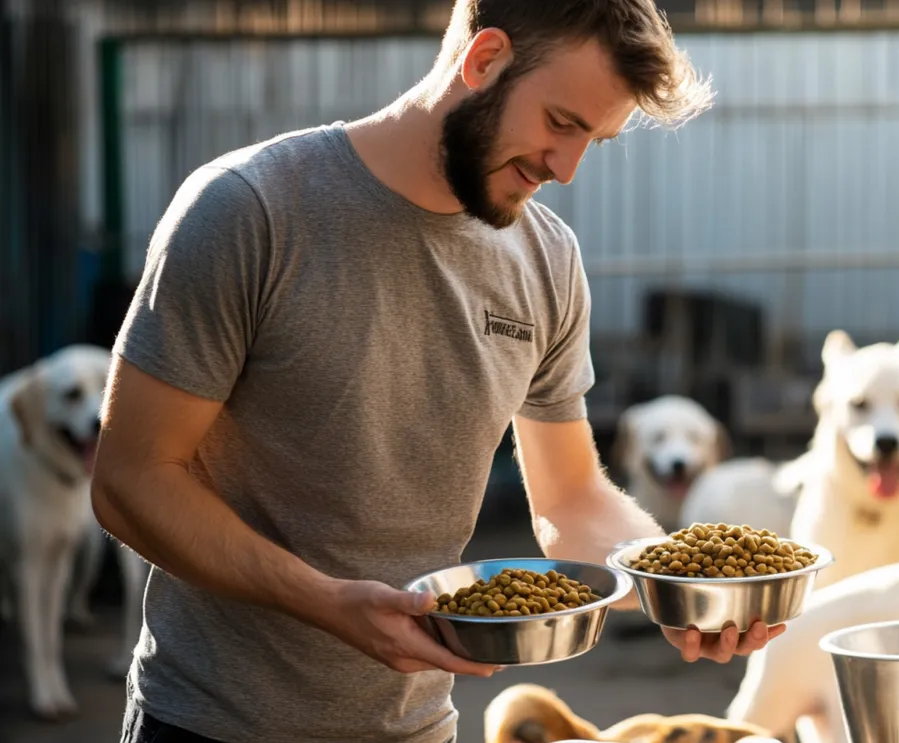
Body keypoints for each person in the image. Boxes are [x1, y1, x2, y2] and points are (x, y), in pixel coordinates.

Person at [91, 2, 786, 741]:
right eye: (561, 121)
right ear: (484, 59)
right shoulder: (248, 211)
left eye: (596, 140)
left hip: (419, 726)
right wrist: (328, 603)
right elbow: (131, 480)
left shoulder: (548, 261)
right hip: (211, 725)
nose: (568, 167)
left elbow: (572, 497)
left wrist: (675, 583)